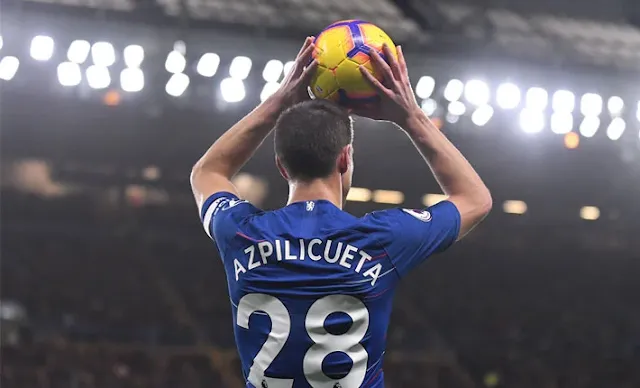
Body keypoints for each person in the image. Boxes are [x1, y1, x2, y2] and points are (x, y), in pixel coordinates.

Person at [190, 37, 492, 388]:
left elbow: (207, 173)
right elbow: (475, 199)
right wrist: (412, 118)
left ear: (281, 167)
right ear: (345, 158)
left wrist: (277, 103)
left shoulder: (241, 234)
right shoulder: (382, 240)